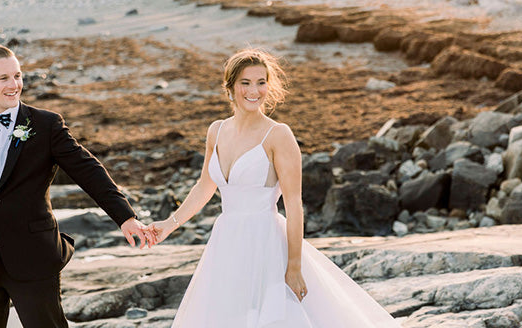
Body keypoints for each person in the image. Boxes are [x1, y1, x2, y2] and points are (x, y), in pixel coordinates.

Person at [149, 48, 401, 327]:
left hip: (266, 241)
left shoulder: (278, 135)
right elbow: (204, 187)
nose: (254, 91)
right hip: (226, 241)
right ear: (230, 86)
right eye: (245, 83)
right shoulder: (216, 131)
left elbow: (294, 206)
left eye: (261, 82)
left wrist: (294, 265)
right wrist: (169, 225)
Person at [0, 44, 155, 328]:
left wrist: (125, 217)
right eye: (4, 78)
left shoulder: (45, 124)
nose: (15, 84)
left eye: (17, 76)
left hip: (34, 257)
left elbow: (88, 170)